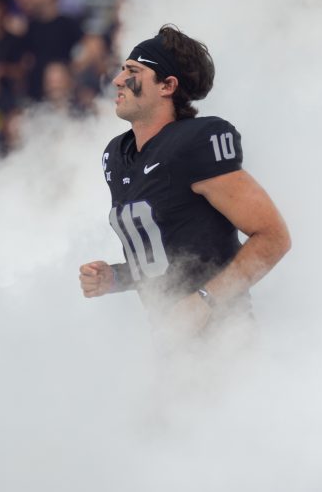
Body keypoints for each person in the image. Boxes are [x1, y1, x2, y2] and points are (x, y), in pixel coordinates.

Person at [79, 25, 291, 331]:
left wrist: (206, 300)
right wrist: (115, 277)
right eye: (122, 69)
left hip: (223, 341)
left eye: (133, 71)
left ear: (167, 86)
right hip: (171, 345)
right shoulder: (118, 154)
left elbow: (273, 237)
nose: (118, 80)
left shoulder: (195, 143)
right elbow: (166, 261)